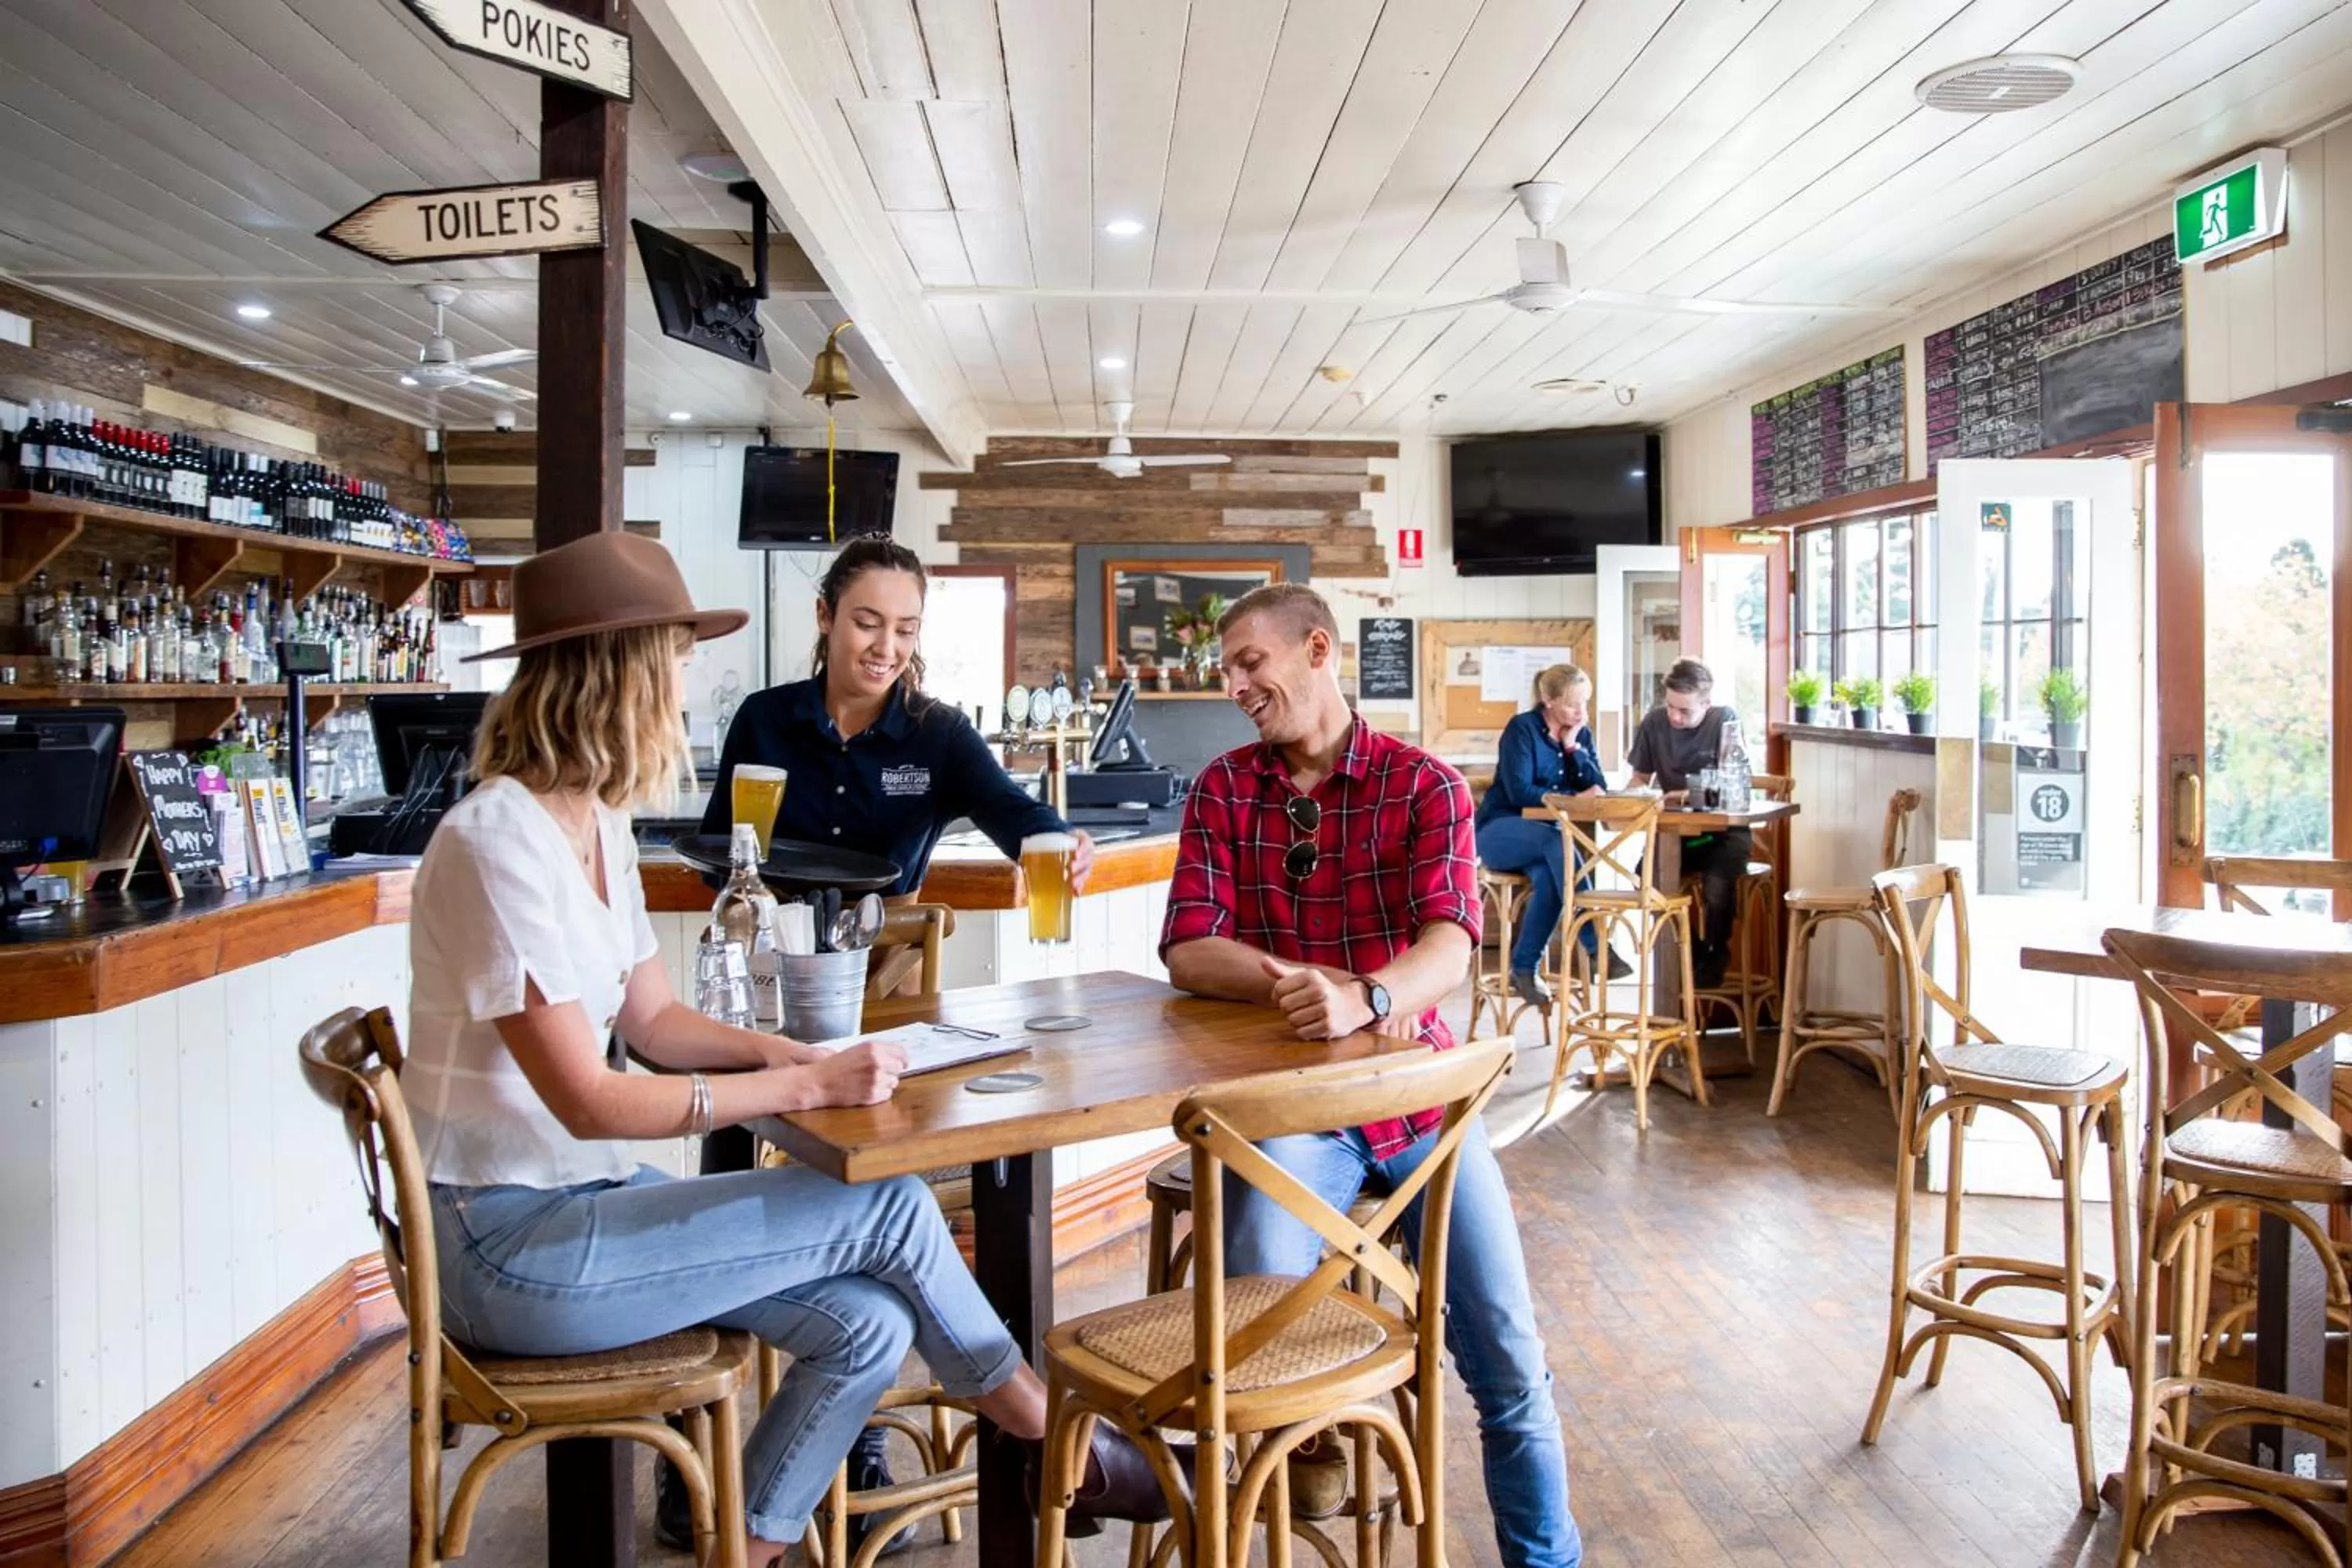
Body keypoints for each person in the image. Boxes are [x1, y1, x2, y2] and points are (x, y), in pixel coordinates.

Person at [405, 532, 1165, 1568]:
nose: (681, 687)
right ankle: (1051, 1436)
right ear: (614, 674)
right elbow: (588, 1099)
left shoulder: (596, 825)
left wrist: (789, 1052)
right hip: (504, 1246)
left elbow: (654, 1024)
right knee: (891, 1206)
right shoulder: (499, 840)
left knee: (868, 1327)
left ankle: (743, 1548)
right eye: (670, 661)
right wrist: (794, 1079)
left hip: (577, 1203)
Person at [1160, 583, 1584, 1568]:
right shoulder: (1223, 787)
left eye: (1248, 663)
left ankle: (1549, 1560)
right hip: (1288, 1114)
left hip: (1420, 1107)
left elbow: (1453, 940)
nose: (1234, 685)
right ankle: (1296, 1472)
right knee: (1253, 1363)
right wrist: (1295, 983)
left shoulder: (1424, 782)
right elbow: (1187, 946)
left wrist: (1369, 997)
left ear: (1317, 650)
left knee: (1511, 1364)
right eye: (1228, 669)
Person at [686, 532, 1097, 1549]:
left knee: (868, 1182)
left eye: (906, 629)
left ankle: (850, 1427)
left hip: (885, 1000)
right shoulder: (765, 719)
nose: (886, 646)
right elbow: (715, 854)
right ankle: (703, 1434)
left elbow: (1014, 815)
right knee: (725, 1179)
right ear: (825, 616)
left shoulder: (936, 736)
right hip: (771, 997)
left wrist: (1059, 842)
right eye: (867, 622)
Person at [1474, 663, 1621, 1004]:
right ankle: (1596, 944)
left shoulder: (1580, 732)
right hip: (1499, 831)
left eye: (1585, 703)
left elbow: (1597, 785)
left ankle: (1523, 968)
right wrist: (1572, 799)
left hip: (1545, 840)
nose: (1581, 712)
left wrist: (1571, 749)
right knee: (1560, 845)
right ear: (1548, 700)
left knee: (1553, 878)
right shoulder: (1522, 729)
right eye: (1573, 704)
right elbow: (1518, 791)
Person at [1623, 658, 1747, 988]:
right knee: (1646, 878)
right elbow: (1640, 778)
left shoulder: (1725, 720)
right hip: (1681, 837)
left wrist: (1676, 795)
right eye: (1671, 707)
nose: (1675, 717)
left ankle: (1717, 952)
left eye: (1685, 711)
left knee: (1718, 884)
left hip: (1721, 835)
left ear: (1707, 703)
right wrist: (1627, 799)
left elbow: (1729, 783)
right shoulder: (1654, 723)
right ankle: (1690, 952)